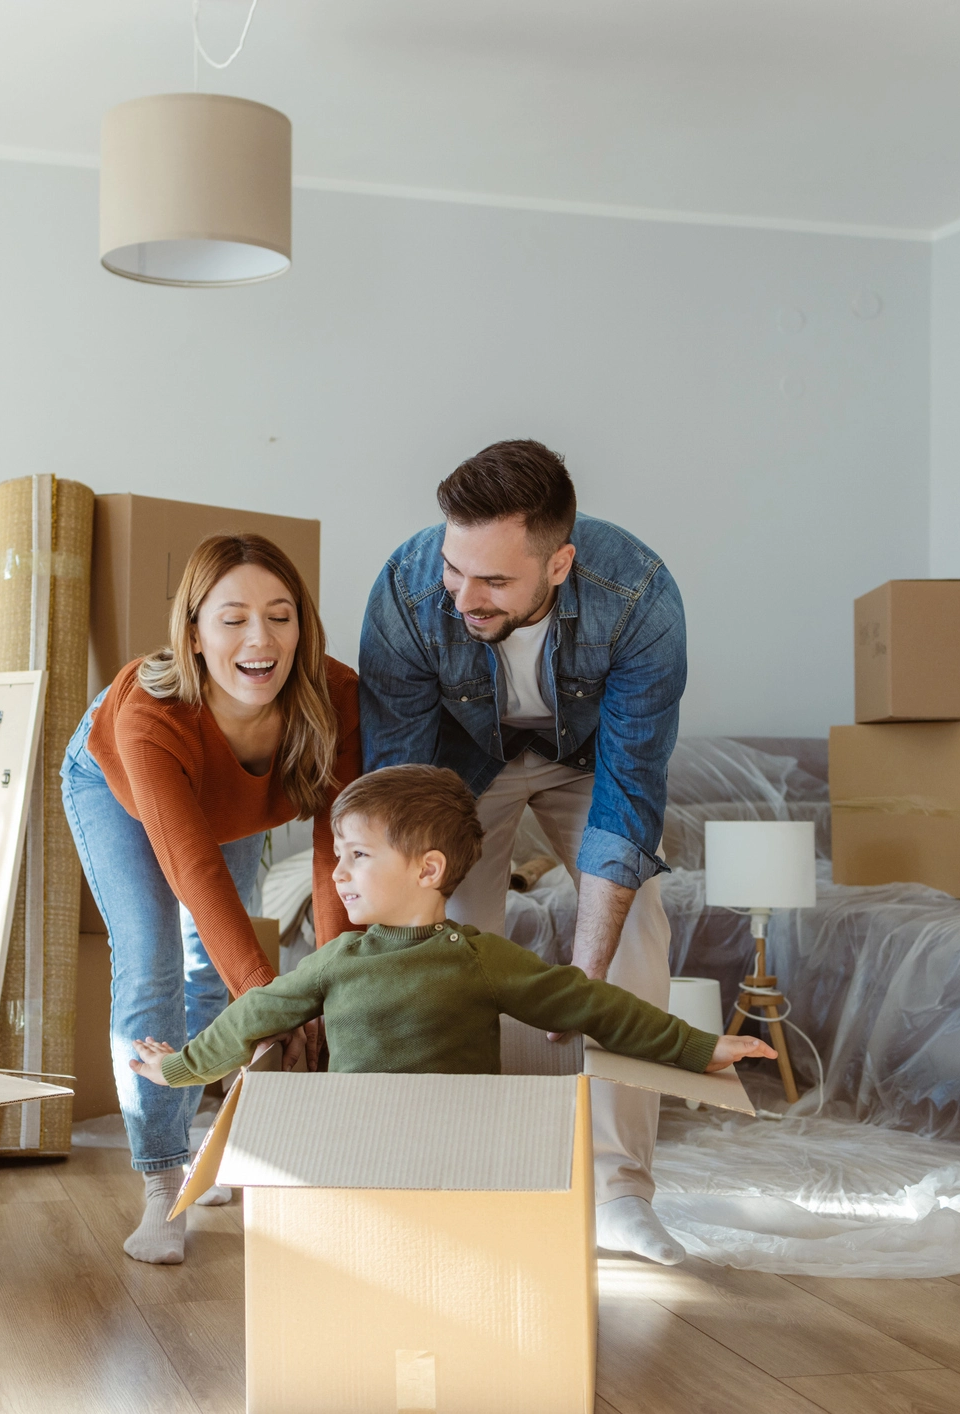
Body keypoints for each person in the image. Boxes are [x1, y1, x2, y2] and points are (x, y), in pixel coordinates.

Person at [359, 439, 696, 1264]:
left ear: (560, 563)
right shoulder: (408, 592)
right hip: (459, 767)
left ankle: (618, 1191)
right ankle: (455, 1168)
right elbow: (400, 788)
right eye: (455, 570)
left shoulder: (639, 597)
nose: (464, 599)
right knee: (445, 939)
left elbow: (630, 797)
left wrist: (582, 982)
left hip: (586, 765)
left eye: (494, 581)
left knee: (632, 925)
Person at [61, 532, 361, 1265]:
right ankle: (162, 1180)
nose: (260, 639)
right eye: (232, 618)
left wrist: (330, 984)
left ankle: (209, 1149)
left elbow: (339, 852)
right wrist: (270, 1001)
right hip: (120, 790)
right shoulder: (150, 716)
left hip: (231, 806)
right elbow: (192, 870)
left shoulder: (338, 698)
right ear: (193, 633)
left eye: (281, 615)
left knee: (212, 971)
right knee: (153, 958)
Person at [130, 764, 772, 1090]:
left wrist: (700, 1047)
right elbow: (253, 1016)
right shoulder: (339, 958)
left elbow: (594, 1004)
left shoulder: (481, 958)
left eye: (357, 855)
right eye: (337, 855)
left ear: (427, 868)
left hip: (461, 1148)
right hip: (355, 1149)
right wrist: (183, 1067)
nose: (336, 872)